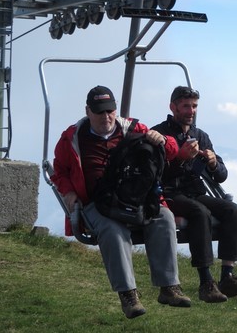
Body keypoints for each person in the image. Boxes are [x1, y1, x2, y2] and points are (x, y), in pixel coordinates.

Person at [51, 85, 191, 319]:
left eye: (110, 111)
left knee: (163, 216)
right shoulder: (72, 138)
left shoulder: (133, 129)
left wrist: (162, 140)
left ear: (115, 110)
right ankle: (128, 295)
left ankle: (169, 287)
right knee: (112, 229)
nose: (106, 117)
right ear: (88, 111)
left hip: (133, 196)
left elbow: (172, 150)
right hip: (97, 202)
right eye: (99, 112)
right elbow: (60, 171)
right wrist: (68, 193)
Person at [152, 86, 237, 304]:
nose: (191, 111)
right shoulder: (160, 134)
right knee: (200, 212)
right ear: (173, 107)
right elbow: (153, 173)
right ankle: (206, 282)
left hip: (193, 192)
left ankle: (227, 276)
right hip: (168, 192)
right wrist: (179, 159)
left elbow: (222, 176)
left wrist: (214, 163)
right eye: (186, 106)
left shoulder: (200, 136)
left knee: (233, 211)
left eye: (195, 106)